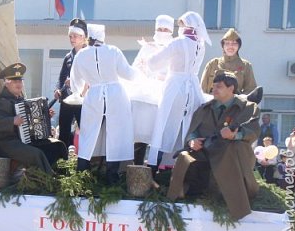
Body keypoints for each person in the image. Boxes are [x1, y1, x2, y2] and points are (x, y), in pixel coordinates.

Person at [167, 72, 260, 220]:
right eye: (213, 86)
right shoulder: (205, 108)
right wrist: (192, 141)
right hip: (205, 150)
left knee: (231, 150)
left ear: (231, 88)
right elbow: (193, 131)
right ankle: (174, 200)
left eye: (219, 87)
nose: (213, 89)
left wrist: (234, 135)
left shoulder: (246, 108)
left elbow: (253, 130)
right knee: (184, 157)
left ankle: (237, 206)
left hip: (231, 153)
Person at [70, 24, 137, 184]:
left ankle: (81, 175)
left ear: (88, 37)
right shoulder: (113, 51)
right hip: (115, 95)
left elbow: (75, 81)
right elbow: (128, 74)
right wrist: (140, 71)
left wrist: (79, 92)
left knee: (88, 134)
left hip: (94, 95)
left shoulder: (81, 55)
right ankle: (111, 176)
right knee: (116, 134)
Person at [144, 11, 212, 169]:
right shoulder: (200, 45)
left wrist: (148, 53)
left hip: (175, 86)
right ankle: (184, 167)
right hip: (193, 88)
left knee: (164, 126)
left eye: (180, 24)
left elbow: (153, 63)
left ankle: (154, 167)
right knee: (188, 128)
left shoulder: (177, 42)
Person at [0, 62, 67, 174]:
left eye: (20, 81)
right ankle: (48, 179)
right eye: (14, 81)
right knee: (36, 154)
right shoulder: (1, 102)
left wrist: (46, 116)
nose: (18, 84)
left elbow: (32, 122)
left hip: (26, 140)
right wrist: (12, 121)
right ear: (6, 83)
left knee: (58, 145)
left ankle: (59, 174)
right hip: (9, 143)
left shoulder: (22, 101)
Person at [130, 14, 175, 165]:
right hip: (145, 93)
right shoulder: (147, 47)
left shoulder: (175, 48)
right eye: (160, 29)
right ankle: (137, 166)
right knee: (141, 131)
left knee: (160, 133)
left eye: (166, 29)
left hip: (164, 92)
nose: (162, 32)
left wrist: (164, 76)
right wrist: (144, 72)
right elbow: (135, 67)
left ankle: (156, 167)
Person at [53, 18, 88, 147]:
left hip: (83, 99)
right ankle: (62, 162)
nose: (72, 39)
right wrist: (58, 89)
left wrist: (74, 82)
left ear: (83, 37)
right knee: (64, 131)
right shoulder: (68, 56)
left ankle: (85, 162)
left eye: (75, 36)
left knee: (85, 131)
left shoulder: (89, 54)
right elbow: (61, 77)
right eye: (70, 36)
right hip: (67, 98)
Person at [200, 28, 257, 95]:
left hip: (236, 103)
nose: (230, 46)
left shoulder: (246, 65)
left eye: (234, 43)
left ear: (239, 46)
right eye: (227, 43)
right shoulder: (212, 64)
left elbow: (251, 90)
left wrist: (239, 100)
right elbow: (202, 89)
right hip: (214, 102)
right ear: (223, 46)